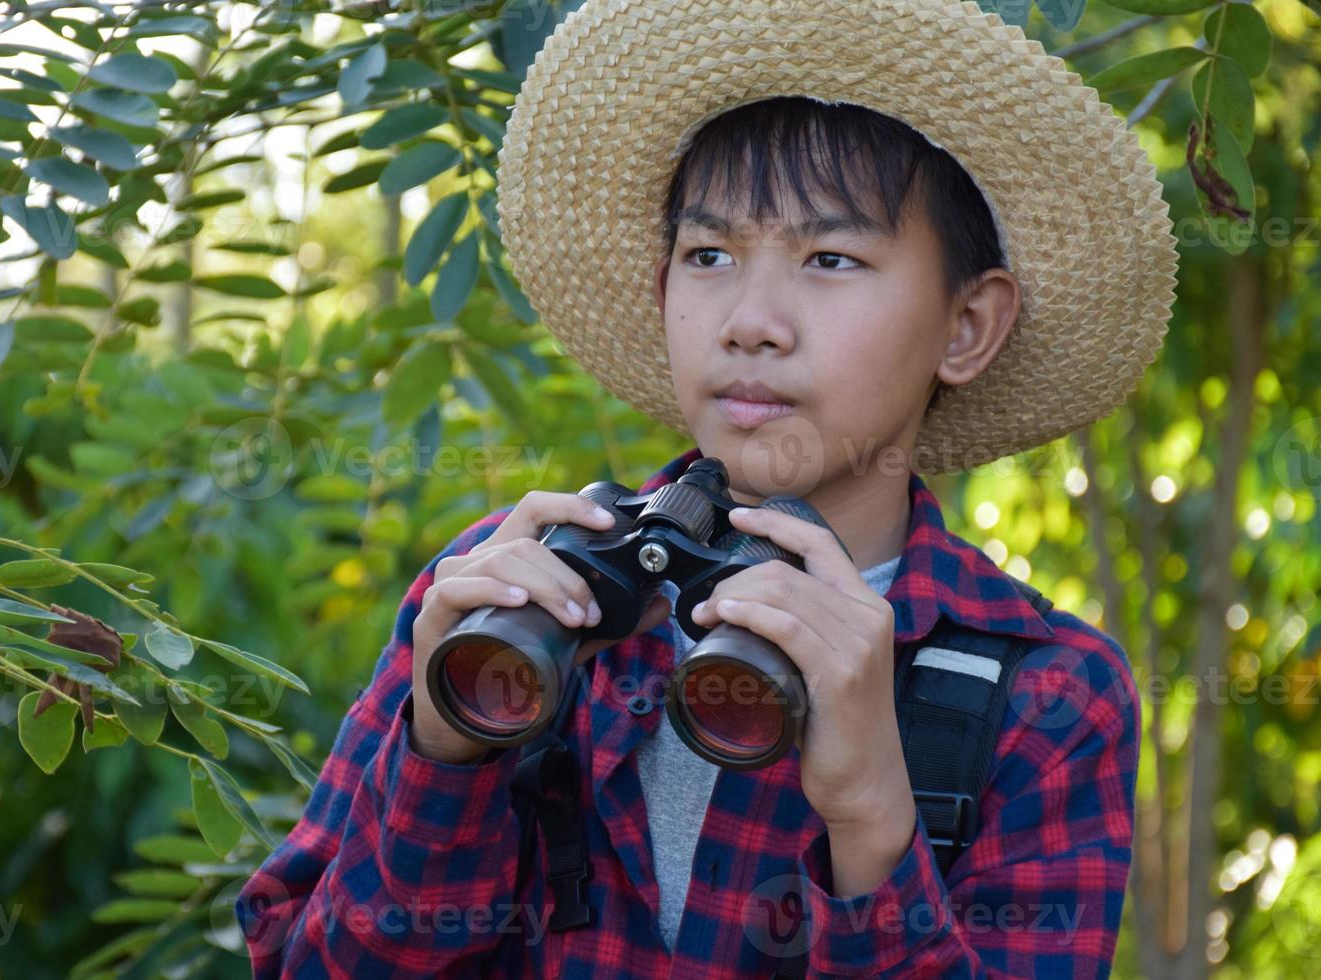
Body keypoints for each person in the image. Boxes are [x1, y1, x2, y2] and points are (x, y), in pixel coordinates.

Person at [236, 0, 1179, 975]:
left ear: (967, 326)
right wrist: (446, 745)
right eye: (710, 255)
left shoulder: (1048, 695)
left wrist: (870, 819)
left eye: (832, 258)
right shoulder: (500, 590)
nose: (751, 321)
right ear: (662, 291)